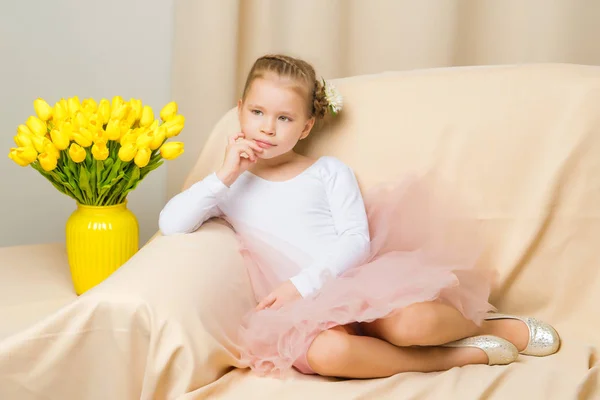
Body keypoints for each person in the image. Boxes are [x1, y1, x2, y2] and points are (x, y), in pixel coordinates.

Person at [158, 54, 560, 379]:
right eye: (258, 112)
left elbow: (356, 239)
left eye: (284, 118)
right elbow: (171, 223)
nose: (267, 128)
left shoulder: (327, 171)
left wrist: (302, 284)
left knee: (412, 325)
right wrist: (226, 173)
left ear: (305, 126)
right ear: (240, 111)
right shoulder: (227, 186)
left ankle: (488, 328)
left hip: (353, 282)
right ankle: (451, 358)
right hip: (304, 314)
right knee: (330, 354)